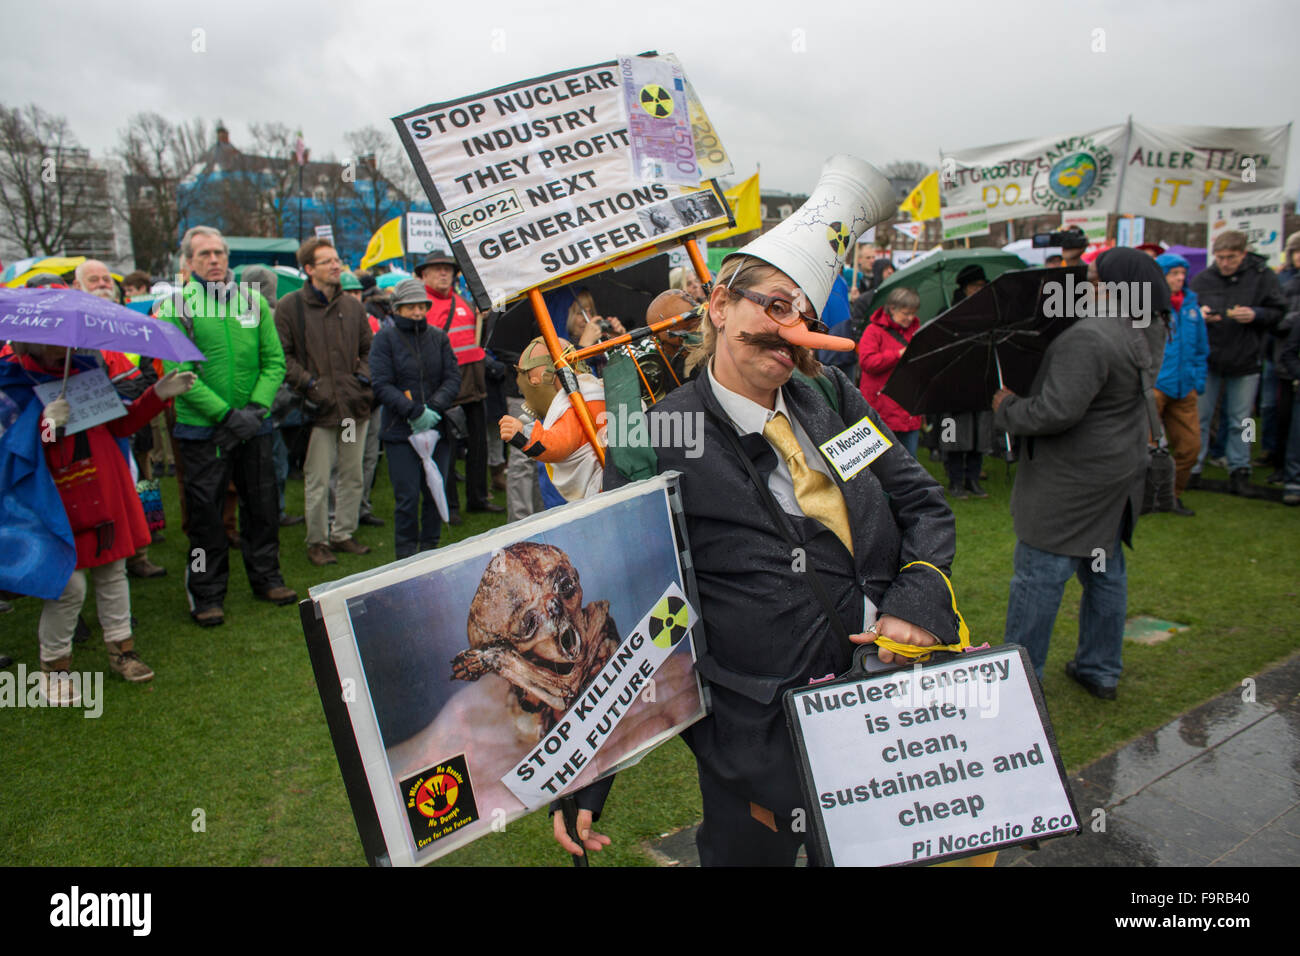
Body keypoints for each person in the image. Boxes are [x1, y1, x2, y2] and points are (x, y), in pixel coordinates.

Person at [553, 162, 962, 866]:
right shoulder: (657, 436)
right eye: (772, 308)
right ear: (719, 305)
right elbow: (628, 604)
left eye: (805, 317)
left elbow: (921, 502)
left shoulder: (829, 398)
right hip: (755, 732)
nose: (789, 333)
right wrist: (594, 769)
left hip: (882, 705)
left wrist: (916, 602)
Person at [992, 248, 1170, 700]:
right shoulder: (1149, 325)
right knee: (1105, 569)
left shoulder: (1090, 336)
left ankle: (1020, 685)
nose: (1086, 284)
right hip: (1118, 470)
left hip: (1072, 481)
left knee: (1039, 577)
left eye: (1094, 277)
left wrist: (1007, 407)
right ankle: (1100, 668)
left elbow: (1056, 411)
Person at [0, 339, 196, 700]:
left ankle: (123, 651)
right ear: (32, 344)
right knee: (67, 587)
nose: (63, 348)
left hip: (102, 491)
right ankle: (54, 669)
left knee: (113, 573)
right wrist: (45, 425)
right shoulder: (12, 382)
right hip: (53, 503)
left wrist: (155, 395)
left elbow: (120, 426)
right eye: (52, 343)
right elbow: (12, 450)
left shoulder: (88, 374)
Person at [157, 226, 297, 626]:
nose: (214, 260)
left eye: (220, 252)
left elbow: (274, 362)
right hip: (204, 430)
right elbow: (178, 372)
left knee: (263, 506)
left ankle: (267, 577)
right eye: (204, 254)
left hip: (254, 424)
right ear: (188, 263)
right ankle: (206, 594)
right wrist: (225, 415)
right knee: (206, 517)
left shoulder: (253, 302)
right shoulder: (176, 306)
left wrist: (253, 410)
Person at [276, 237, 374, 565]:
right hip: (319, 410)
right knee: (317, 478)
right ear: (309, 269)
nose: (336, 266)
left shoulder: (353, 306)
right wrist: (312, 385)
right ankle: (317, 540)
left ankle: (343, 532)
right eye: (327, 261)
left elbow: (368, 350)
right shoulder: (290, 306)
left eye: (337, 259)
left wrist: (360, 379)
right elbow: (283, 356)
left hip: (353, 406)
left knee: (352, 473)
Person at [1188, 230, 1287, 496]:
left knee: (1244, 420)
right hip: (1210, 358)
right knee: (1202, 417)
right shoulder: (1203, 279)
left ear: (1243, 254)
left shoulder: (1263, 277)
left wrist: (1256, 313)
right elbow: (1188, 311)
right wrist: (1200, 315)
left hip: (1247, 357)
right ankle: (1194, 466)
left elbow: (1280, 311)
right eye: (1220, 257)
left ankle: (1241, 466)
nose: (1225, 262)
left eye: (1230, 257)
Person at [370, 279, 461, 558]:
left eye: (422, 305)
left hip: (438, 428)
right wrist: (414, 411)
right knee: (407, 497)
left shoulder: (439, 337)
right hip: (400, 431)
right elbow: (381, 384)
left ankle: (431, 548)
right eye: (411, 307)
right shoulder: (384, 339)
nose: (418, 311)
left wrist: (433, 408)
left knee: (436, 492)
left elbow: (452, 377)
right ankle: (406, 554)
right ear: (397, 309)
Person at [416, 251, 502, 522]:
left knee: (478, 445)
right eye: (437, 269)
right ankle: (450, 506)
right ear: (424, 275)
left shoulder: (464, 302)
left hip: (474, 383)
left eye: (447, 269)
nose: (444, 273)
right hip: (446, 385)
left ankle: (478, 497)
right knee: (449, 449)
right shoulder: (423, 307)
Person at [499, 336, 605, 502]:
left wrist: (524, 434)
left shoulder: (577, 404)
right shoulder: (596, 390)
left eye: (529, 377)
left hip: (600, 490)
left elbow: (557, 444)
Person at [1153, 253, 1209, 515]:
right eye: (1173, 273)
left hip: (1185, 387)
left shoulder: (1191, 306)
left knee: (1190, 446)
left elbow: (1201, 347)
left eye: (1181, 274)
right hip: (1155, 386)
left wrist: (1197, 380)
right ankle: (1144, 496)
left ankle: (1172, 496)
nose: (1179, 278)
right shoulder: (1148, 306)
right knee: (1146, 446)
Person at [940, 266, 994, 498]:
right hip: (954, 386)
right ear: (964, 288)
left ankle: (973, 479)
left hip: (980, 384)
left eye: (982, 286)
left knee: (979, 435)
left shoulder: (990, 311)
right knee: (953, 435)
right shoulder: (948, 312)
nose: (979, 290)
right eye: (975, 286)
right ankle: (955, 480)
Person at [857, 286, 923, 456]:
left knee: (910, 464)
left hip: (908, 408)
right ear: (892, 309)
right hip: (882, 408)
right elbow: (867, 362)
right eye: (905, 313)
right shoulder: (873, 331)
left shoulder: (917, 331)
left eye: (912, 313)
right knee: (881, 464)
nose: (910, 318)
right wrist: (898, 355)